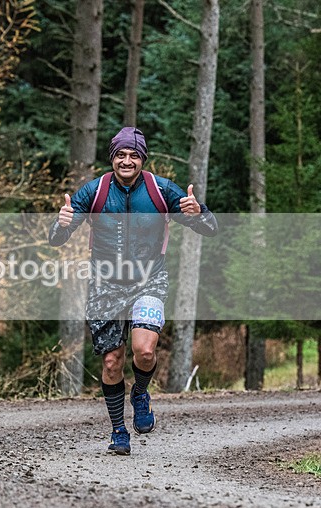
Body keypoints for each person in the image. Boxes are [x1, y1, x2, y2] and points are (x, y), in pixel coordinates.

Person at [48, 127, 217, 455]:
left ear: (143, 159)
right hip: (105, 285)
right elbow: (56, 238)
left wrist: (200, 214)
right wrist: (63, 221)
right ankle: (118, 431)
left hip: (148, 280)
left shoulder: (161, 190)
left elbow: (210, 229)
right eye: (121, 155)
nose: (127, 161)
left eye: (134, 155)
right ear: (112, 158)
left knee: (144, 350)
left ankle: (140, 392)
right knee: (112, 361)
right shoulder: (94, 191)